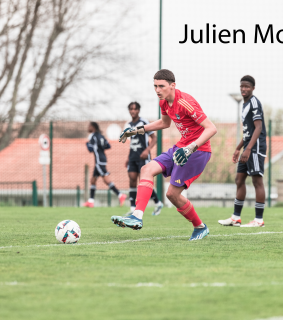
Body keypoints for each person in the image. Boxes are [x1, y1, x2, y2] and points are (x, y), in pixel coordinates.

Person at [111, 69, 217, 241]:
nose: (158, 90)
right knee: (147, 169)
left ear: (172, 85)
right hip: (180, 147)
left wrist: (190, 148)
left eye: (161, 86)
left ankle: (200, 227)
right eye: (155, 86)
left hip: (198, 151)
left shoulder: (185, 102)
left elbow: (211, 128)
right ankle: (137, 216)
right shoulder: (164, 103)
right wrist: (137, 131)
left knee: (172, 195)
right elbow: (165, 123)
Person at [218, 75, 266, 227]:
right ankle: (235, 218)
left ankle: (259, 220)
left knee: (257, 181)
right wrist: (238, 148)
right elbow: (248, 131)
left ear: (253, 88)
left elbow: (258, 128)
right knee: (239, 180)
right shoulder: (244, 105)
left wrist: (249, 149)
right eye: (242, 86)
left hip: (255, 147)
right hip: (248, 147)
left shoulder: (254, 103)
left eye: (247, 86)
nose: (244, 89)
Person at [124, 102, 164, 216]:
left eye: (135, 109)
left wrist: (147, 150)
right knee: (132, 180)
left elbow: (154, 138)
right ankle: (132, 209)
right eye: (131, 109)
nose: (133, 111)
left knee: (144, 182)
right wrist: (128, 157)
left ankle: (157, 203)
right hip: (132, 157)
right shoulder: (128, 125)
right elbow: (132, 142)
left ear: (138, 110)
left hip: (143, 157)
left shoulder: (144, 122)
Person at [83, 122, 127, 208]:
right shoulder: (101, 136)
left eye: (89, 126)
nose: (88, 128)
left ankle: (120, 195)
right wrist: (100, 147)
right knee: (93, 180)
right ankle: (91, 201)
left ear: (93, 127)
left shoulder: (93, 136)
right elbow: (108, 146)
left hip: (99, 161)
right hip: (102, 159)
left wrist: (87, 144)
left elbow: (90, 149)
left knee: (106, 180)